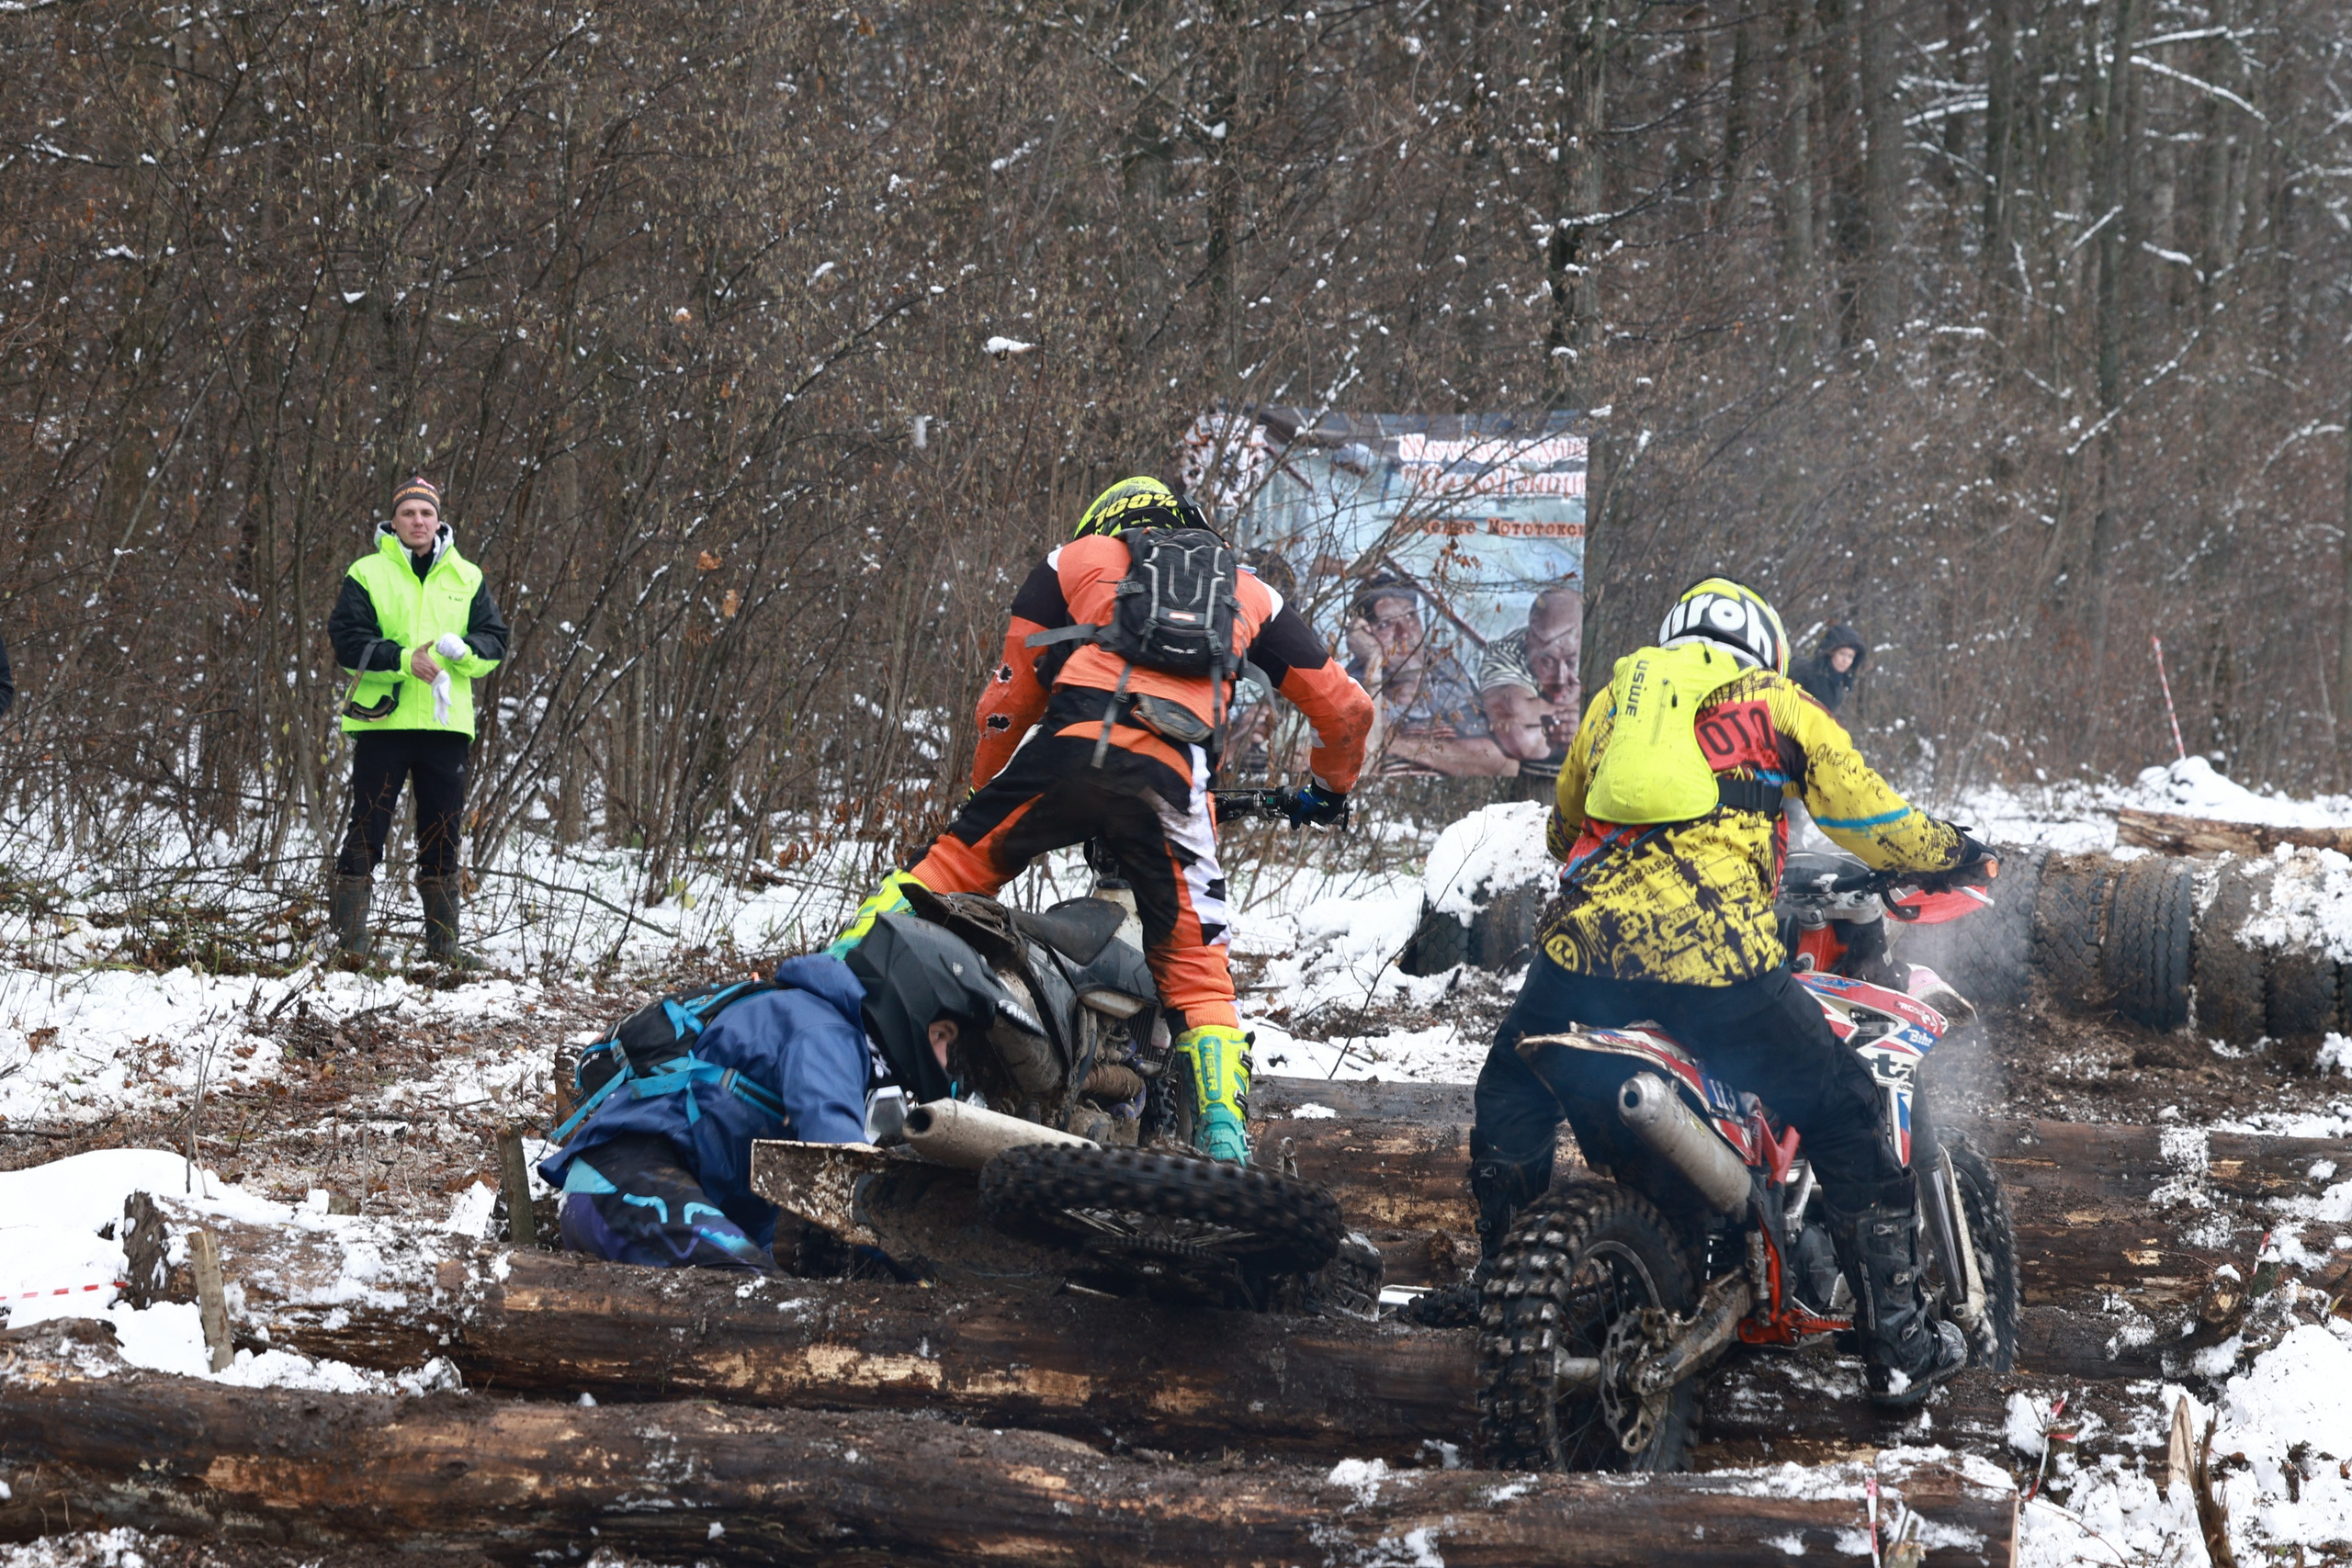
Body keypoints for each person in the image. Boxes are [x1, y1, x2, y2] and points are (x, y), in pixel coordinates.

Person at [1441, 577, 1994, 1406]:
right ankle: (1901, 1343)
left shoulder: (1617, 698)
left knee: (1512, 1092)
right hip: (1710, 957)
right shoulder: (1777, 700)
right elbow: (1866, 816)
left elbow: (1563, 827)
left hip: (1581, 957)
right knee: (1846, 1108)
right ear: (1764, 647)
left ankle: (1499, 1289)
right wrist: (1947, 847)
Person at [832, 476, 1373, 1165]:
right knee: (1200, 975)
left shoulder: (1073, 560)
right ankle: (1226, 1153)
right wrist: (1328, 790)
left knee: (941, 879)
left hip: (1069, 750)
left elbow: (1004, 703)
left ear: (1109, 522)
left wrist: (985, 790)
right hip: (1173, 784)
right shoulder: (1248, 591)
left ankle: (823, 990)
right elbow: (1347, 710)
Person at [539, 914, 1016, 1270]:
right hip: (620, 1187)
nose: (944, 1061)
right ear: (911, 1002)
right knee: (762, 1307)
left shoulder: (834, 1036)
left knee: (774, 1293)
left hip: (632, 1192)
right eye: (943, 1037)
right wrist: (911, 1264)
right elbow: (839, 1173)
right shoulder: (824, 1032)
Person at [324, 477, 510, 967]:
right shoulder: (366, 573)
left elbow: (495, 641)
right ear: (395, 520)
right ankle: (350, 948)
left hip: (446, 727)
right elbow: (347, 642)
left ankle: (444, 950)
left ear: (438, 519)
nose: (418, 522)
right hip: (382, 722)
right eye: (409, 514)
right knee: (367, 830)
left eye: (426, 514)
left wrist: (464, 653)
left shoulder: (466, 576)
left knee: (443, 834)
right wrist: (407, 660)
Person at [1343, 577, 1514, 777]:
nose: (1405, 633)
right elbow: (1362, 771)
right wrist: (1373, 663)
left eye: (1411, 616)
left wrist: (1391, 742)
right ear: (1364, 636)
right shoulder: (1353, 684)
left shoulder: (1441, 667)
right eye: (1386, 624)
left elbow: (1501, 763)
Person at [1479, 583, 1583, 773]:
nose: (1560, 680)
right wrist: (1578, 714)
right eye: (1548, 662)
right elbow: (1519, 740)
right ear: (1530, 641)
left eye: (1570, 662)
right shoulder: (1503, 653)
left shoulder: (1596, 649)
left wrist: (1578, 727)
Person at [1794, 624, 1870, 714]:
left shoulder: (1840, 686)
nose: (1845, 660)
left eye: (1850, 656)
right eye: (1842, 654)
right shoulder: (1804, 671)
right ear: (1831, 652)